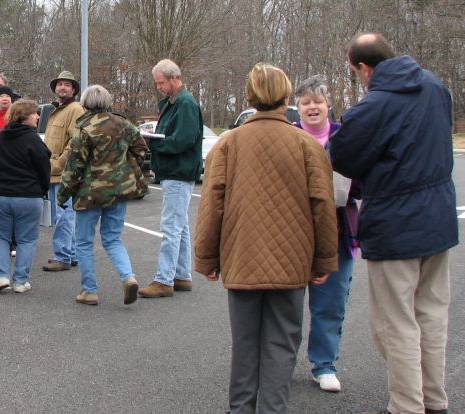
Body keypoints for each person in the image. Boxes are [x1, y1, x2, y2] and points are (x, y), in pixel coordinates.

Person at [194, 63, 338, 414]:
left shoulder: (229, 144)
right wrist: (324, 259)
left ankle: (240, 409)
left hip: (242, 257)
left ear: (250, 97)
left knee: (244, 343)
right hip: (291, 261)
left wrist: (207, 258)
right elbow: (323, 207)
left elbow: (211, 205)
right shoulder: (306, 145)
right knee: (283, 343)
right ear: (286, 97)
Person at [330, 33, 458, 414]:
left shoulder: (373, 107)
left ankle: (406, 405)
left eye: (355, 73)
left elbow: (345, 157)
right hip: (438, 220)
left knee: (397, 325)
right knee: (432, 316)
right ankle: (434, 400)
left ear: (364, 68)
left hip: (395, 224)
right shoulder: (437, 88)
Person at [293, 75, 359, 393]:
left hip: (338, 234)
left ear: (328, 104)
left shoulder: (344, 137)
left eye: (317, 101)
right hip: (293, 235)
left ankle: (324, 364)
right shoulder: (288, 137)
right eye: (306, 102)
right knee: (287, 305)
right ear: (297, 107)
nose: (312, 107)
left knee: (330, 304)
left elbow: (363, 179)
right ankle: (280, 363)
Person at [57, 85, 148, 306]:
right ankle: (128, 277)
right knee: (113, 239)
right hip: (118, 191)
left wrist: (63, 194)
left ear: (86, 103)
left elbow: (74, 166)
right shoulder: (123, 124)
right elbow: (141, 149)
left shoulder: (84, 128)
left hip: (90, 194)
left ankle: (90, 290)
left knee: (84, 242)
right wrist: (124, 168)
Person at [138, 59, 202, 298]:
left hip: (178, 171)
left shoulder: (184, 103)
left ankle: (164, 279)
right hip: (177, 171)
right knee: (180, 226)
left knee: (171, 227)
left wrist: (155, 144)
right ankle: (182, 276)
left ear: (175, 78)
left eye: (161, 83)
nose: (159, 87)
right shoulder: (178, 102)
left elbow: (183, 140)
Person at [0, 99, 50, 294]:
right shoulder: (33, 139)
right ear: (23, 115)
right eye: (34, 113)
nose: (38, 116)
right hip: (28, 196)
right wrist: (42, 190)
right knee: (26, 239)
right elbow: (44, 168)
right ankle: (21, 281)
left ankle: (2, 276)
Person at [42, 70, 85, 272]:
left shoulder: (75, 109)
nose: (63, 88)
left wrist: (58, 164)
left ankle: (62, 256)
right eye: (60, 84)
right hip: (53, 173)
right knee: (64, 214)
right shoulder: (58, 110)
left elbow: (75, 142)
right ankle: (71, 253)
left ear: (74, 89)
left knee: (63, 215)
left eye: (67, 84)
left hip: (63, 173)